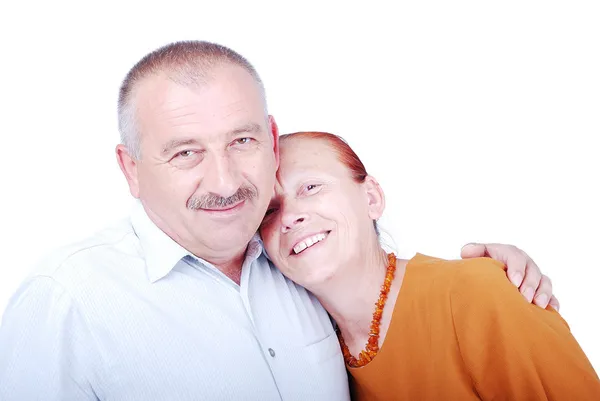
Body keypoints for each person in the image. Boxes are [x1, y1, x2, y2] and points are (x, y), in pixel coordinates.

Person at [0, 41, 557, 400]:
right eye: (185, 152)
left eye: (241, 141)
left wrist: (491, 279)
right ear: (131, 168)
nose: (224, 182)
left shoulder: (301, 267)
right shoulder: (66, 301)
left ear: (269, 138)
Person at [259, 130, 600, 400]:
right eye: (270, 210)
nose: (290, 215)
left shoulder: (479, 292)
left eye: (311, 187)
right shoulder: (313, 354)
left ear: (371, 198)